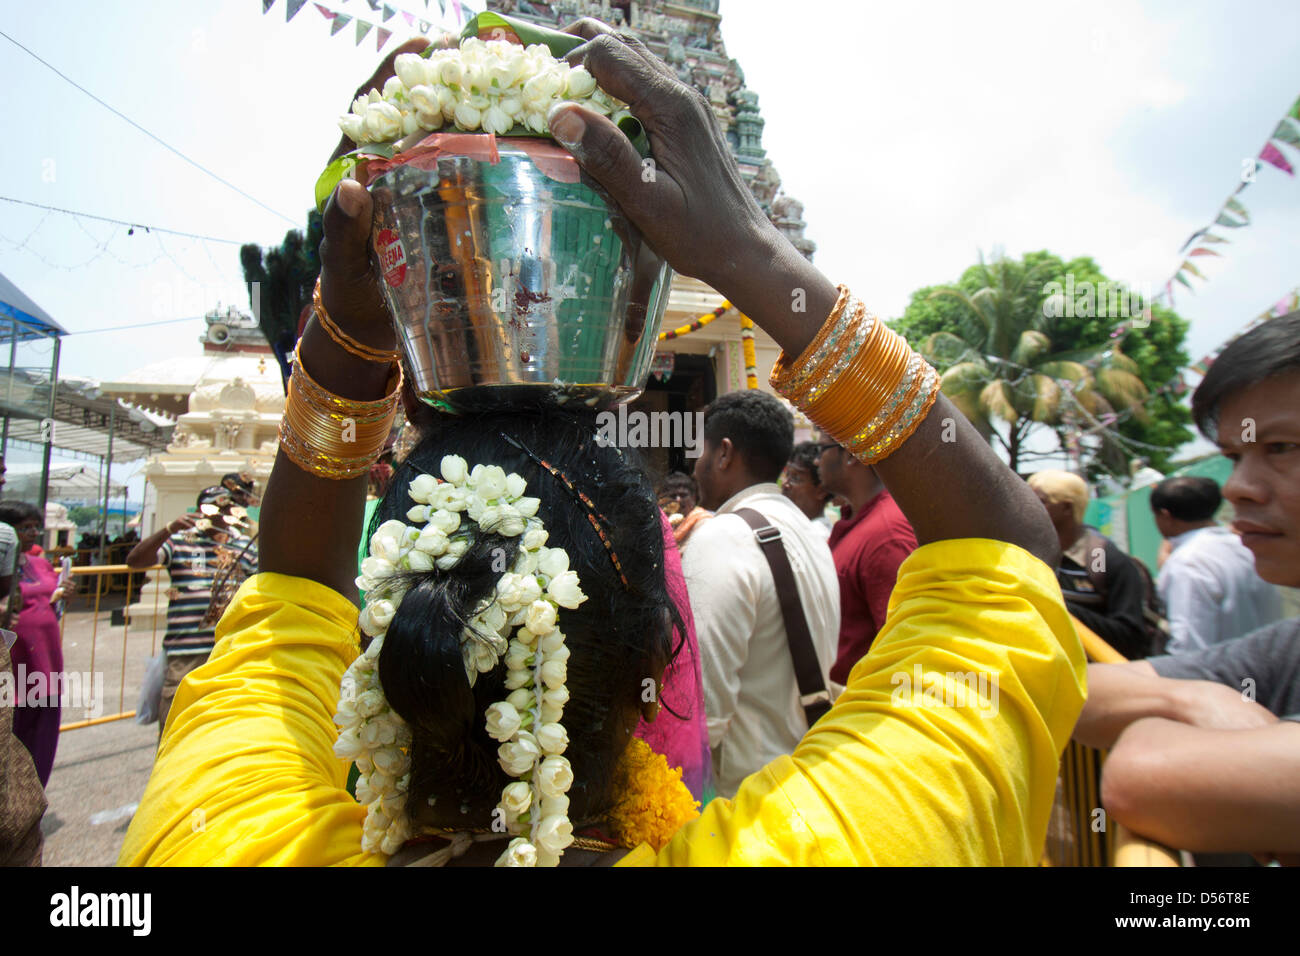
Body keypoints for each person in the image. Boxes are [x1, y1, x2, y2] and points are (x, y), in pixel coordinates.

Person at [120, 23, 1082, 866]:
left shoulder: (225, 826)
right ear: (659, 673)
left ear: (385, 651)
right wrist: (749, 252)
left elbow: (289, 595)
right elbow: (1009, 556)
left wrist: (359, 302)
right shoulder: (824, 845)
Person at [1074, 311, 1300, 861]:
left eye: (1283, 448)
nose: (1239, 487)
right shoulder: (1288, 646)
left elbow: (1139, 777)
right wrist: (1190, 696)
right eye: (1233, 457)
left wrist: (1175, 727)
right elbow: (1076, 693)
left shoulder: (1136, 562)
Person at [683, 390, 839, 798]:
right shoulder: (811, 532)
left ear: (724, 454)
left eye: (701, 452)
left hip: (745, 799)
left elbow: (703, 708)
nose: (694, 466)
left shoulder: (722, 537)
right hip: (806, 776)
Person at [125, 488, 258, 733]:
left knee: (221, 729)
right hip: (185, 655)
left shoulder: (243, 547)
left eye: (224, 509)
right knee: (176, 728)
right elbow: (135, 561)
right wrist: (168, 530)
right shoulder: (179, 542)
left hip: (228, 653)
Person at [817, 443, 918, 686]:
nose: (816, 460)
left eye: (823, 447)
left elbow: (902, 650)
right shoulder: (859, 520)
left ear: (851, 455)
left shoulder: (888, 534)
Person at [1026, 470, 1151, 659]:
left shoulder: (1098, 559)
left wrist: (1059, 608)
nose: (1028, 507)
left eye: (1040, 501)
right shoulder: (1028, 552)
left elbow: (1129, 636)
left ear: (1067, 508)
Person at [1150, 475, 1281, 654]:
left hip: (1227, 676)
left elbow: (1189, 648)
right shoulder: (1246, 546)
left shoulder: (1187, 564)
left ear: (1165, 516)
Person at [0, 502, 66, 785]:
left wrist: (65, 594)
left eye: (35, 527)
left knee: (41, 739)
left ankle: (31, 803)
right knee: (12, 735)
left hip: (45, 663)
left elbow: (51, 603)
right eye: (24, 527)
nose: (32, 533)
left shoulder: (40, 563)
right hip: (14, 663)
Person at [781, 440, 835, 541]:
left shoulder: (816, 536)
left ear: (821, 491)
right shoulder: (799, 528)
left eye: (795, 478)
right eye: (787, 475)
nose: (785, 484)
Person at [656, 471, 711, 553]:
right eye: (672, 496)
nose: (678, 500)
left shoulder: (704, 523)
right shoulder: (658, 524)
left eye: (683, 495)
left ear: (694, 498)